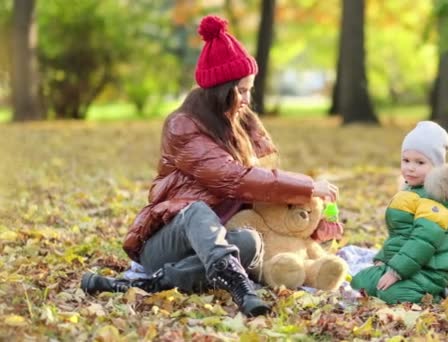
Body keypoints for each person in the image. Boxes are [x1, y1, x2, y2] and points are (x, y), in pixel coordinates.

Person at [80, 15, 339, 317]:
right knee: (198, 211)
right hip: (171, 242)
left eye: (249, 89)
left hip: (217, 245)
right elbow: (233, 179)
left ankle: (150, 286)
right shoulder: (182, 126)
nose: (246, 99)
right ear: (220, 91)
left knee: (248, 241)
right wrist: (306, 185)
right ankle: (239, 285)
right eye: (241, 91)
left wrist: (305, 218)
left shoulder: (241, 123)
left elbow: (261, 189)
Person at [350, 121, 448, 304]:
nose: (410, 167)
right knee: (360, 282)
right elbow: (400, 235)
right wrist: (383, 259)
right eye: (406, 160)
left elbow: (423, 241)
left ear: (436, 167)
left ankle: (435, 294)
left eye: (420, 162)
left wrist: (396, 272)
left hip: (429, 270)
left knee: (392, 296)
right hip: (407, 265)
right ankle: (397, 283)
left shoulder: (435, 199)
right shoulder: (411, 191)